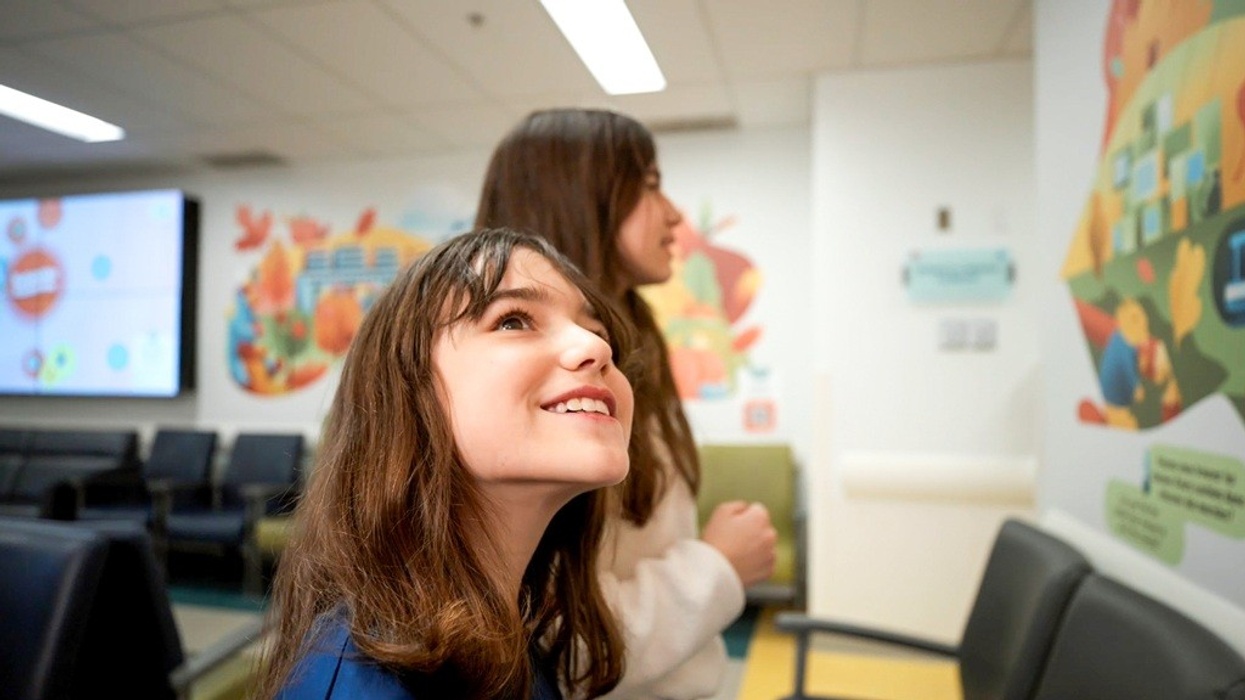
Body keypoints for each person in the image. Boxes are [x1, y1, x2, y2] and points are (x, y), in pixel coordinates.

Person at [254, 227, 639, 700]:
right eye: (514, 320)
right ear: (409, 396)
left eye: (599, 333)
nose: (597, 348)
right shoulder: (366, 680)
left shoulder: (511, 636)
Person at [476, 108, 778, 699]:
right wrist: (718, 568)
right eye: (649, 184)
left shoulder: (634, 344)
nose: (674, 215)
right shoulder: (537, 394)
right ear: (578, 196)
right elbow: (566, 642)